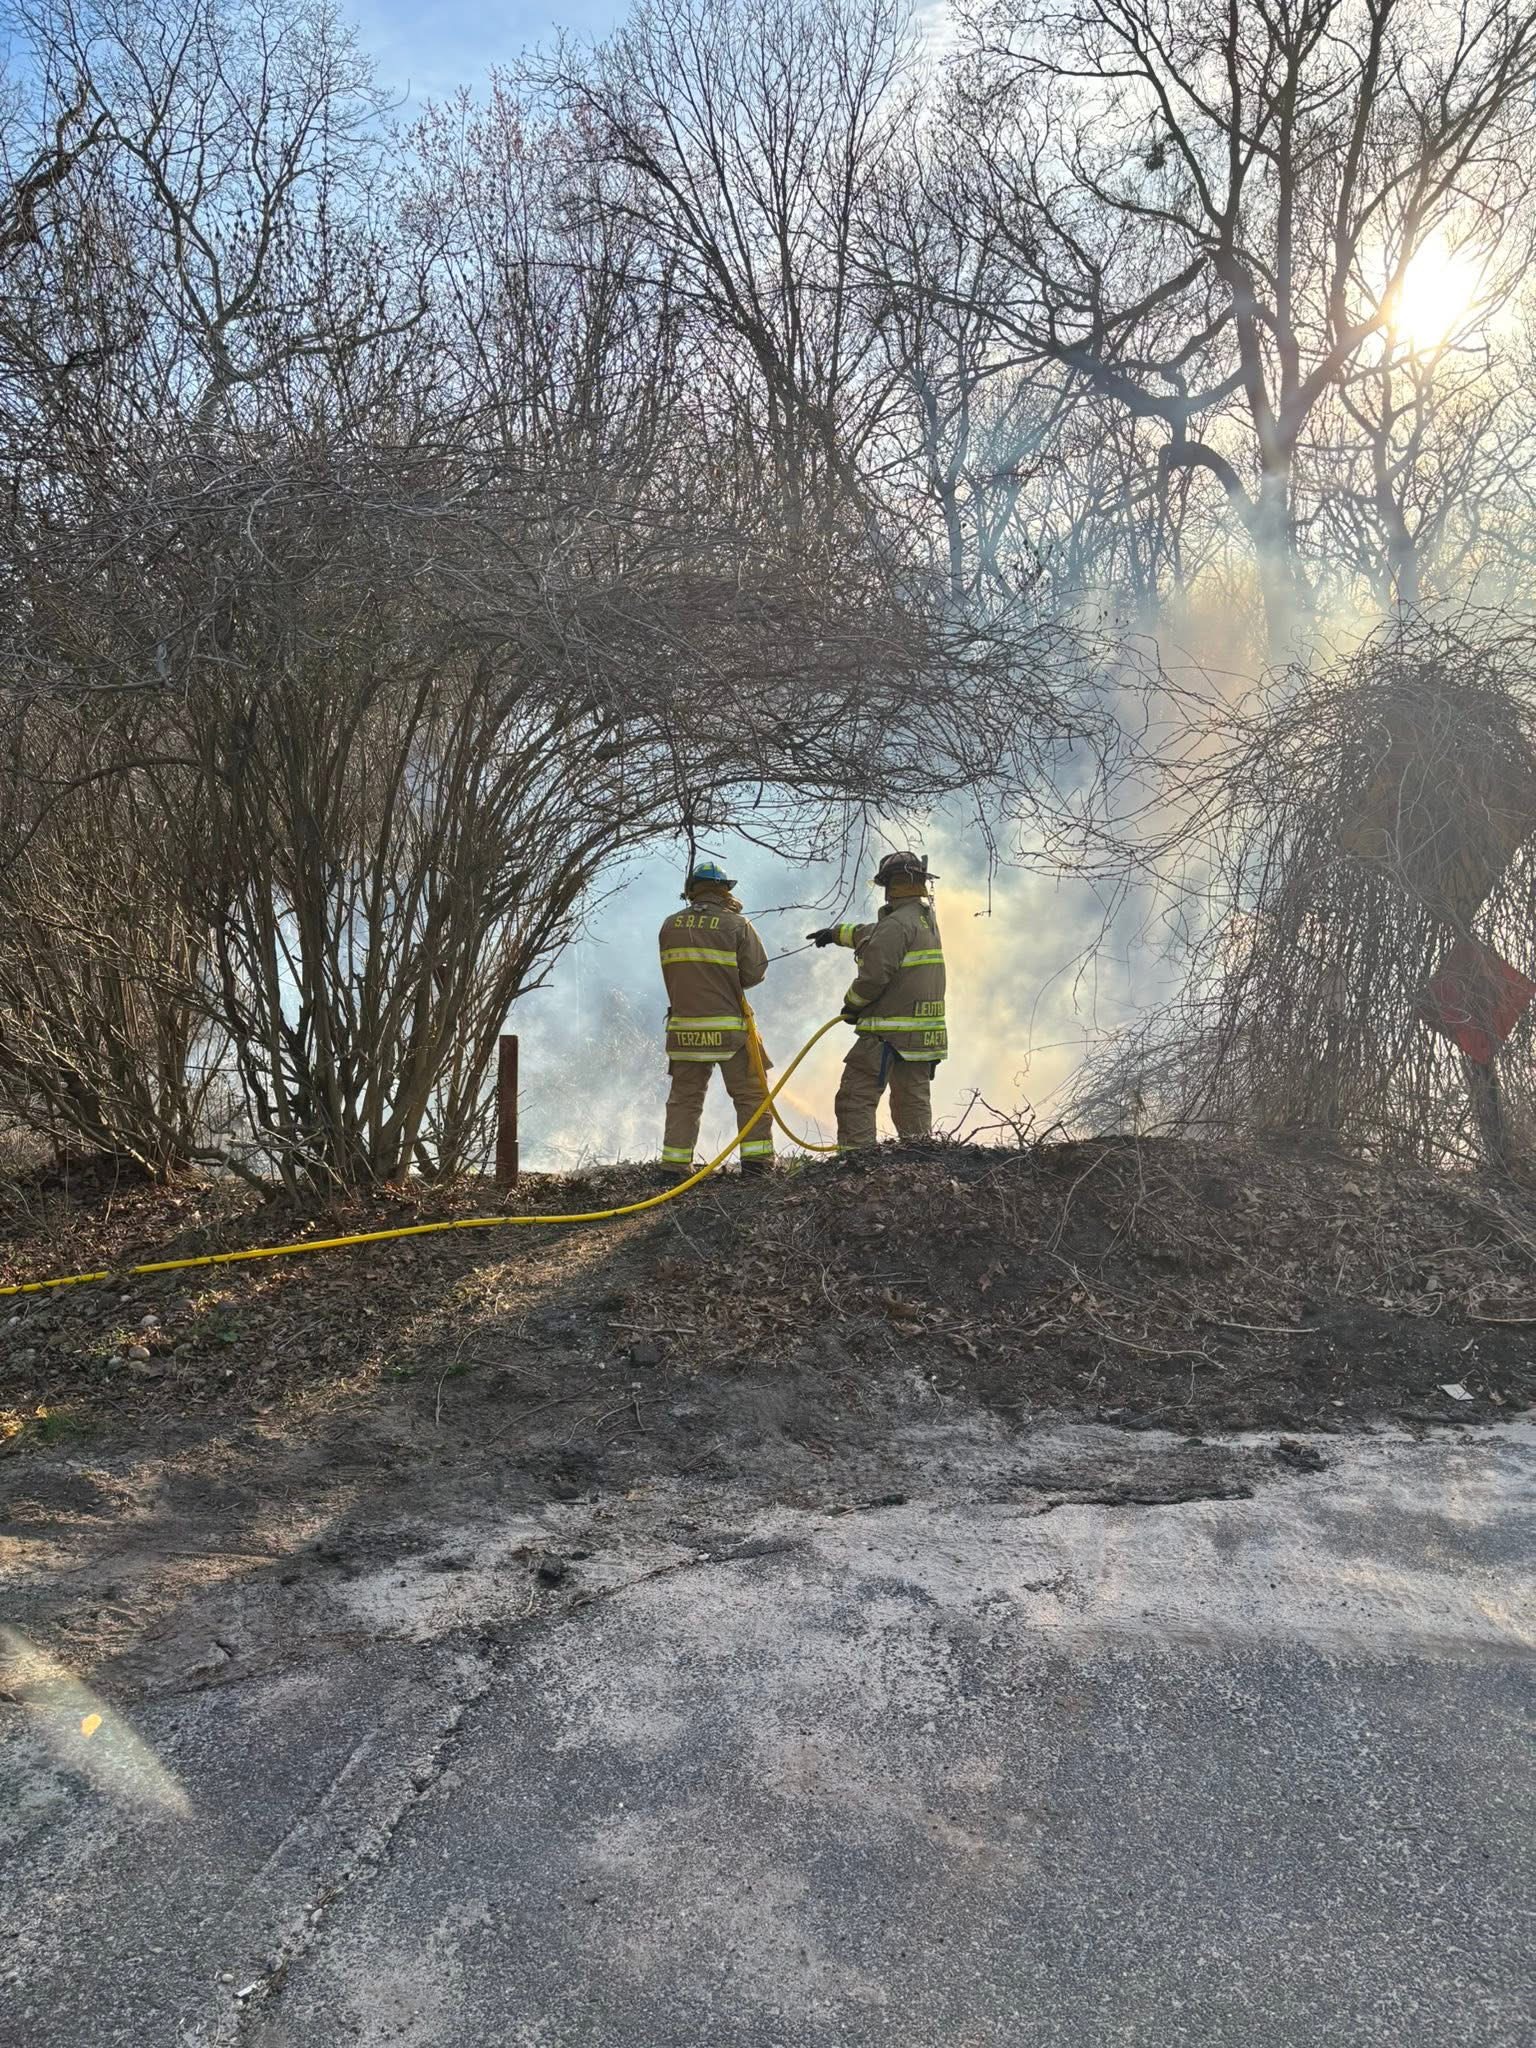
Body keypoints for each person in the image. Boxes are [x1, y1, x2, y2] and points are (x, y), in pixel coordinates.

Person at [808, 851, 946, 1153]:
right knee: (912, 1100)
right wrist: (835, 934)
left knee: (855, 1096)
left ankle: (858, 1163)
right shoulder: (924, 921)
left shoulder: (896, 925)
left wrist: (852, 1005)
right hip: (922, 1035)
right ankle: (921, 1161)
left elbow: (873, 976)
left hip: (888, 1032)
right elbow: (871, 934)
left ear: (890, 885)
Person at [657, 859, 774, 1177]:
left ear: (691, 891)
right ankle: (757, 1164)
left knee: (685, 1099)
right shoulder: (737, 925)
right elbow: (755, 974)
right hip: (729, 1031)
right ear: (724, 890)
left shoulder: (669, 925)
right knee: (751, 1093)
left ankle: (674, 1166)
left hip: (684, 1031)